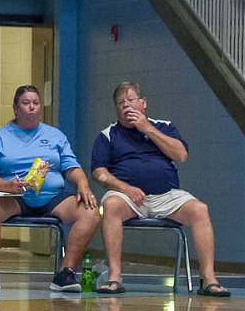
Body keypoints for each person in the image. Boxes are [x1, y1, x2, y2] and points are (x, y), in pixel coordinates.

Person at [89, 81, 229, 296]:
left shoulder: (164, 126)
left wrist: (146, 129)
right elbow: (99, 173)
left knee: (200, 209)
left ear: (143, 103)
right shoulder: (108, 135)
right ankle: (115, 276)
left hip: (167, 195)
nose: (126, 106)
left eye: (131, 100)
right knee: (110, 205)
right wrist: (125, 188)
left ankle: (209, 279)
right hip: (127, 196)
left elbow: (180, 155)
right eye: (120, 103)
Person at [0, 85, 99, 293]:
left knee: (91, 211)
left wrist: (83, 184)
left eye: (35, 103)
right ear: (15, 108)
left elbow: (71, 167)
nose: (31, 107)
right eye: (26, 103)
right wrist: (7, 186)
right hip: (15, 197)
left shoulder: (55, 135)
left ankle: (65, 272)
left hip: (53, 197)